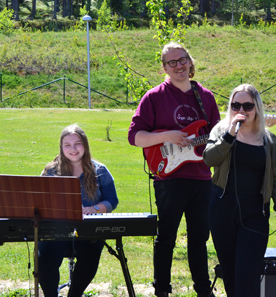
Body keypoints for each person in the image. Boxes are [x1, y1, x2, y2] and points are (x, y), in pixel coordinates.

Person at [127, 42, 220, 297]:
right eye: (172, 62)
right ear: (164, 68)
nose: (178, 66)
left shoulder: (206, 97)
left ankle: (203, 290)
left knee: (199, 238)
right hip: (169, 176)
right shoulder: (154, 97)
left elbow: (217, 136)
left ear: (190, 62)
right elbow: (135, 137)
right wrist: (168, 135)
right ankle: (162, 290)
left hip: (201, 178)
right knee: (166, 237)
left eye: (182, 60)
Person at [203, 84, 276, 297]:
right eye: (235, 105)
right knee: (231, 272)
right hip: (222, 209)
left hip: (255, 213)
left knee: (248, 273)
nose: (241, 111)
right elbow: (209, 159)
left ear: (257, 108)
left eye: (247, 106)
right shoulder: (221, 130)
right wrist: (229, 136)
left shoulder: (269, 140)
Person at [38, 124, 119, 297]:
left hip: (88, 230)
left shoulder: (100, 171)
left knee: (91, 255)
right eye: (67, 145)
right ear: (61, 147)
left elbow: (112, 200)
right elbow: (39, 200)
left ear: (85, 145)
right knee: (44, 258)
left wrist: (94, 209)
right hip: (56, 229)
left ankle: (74, 295)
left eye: (77, 143)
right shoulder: (51, 171)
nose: (73, 149)